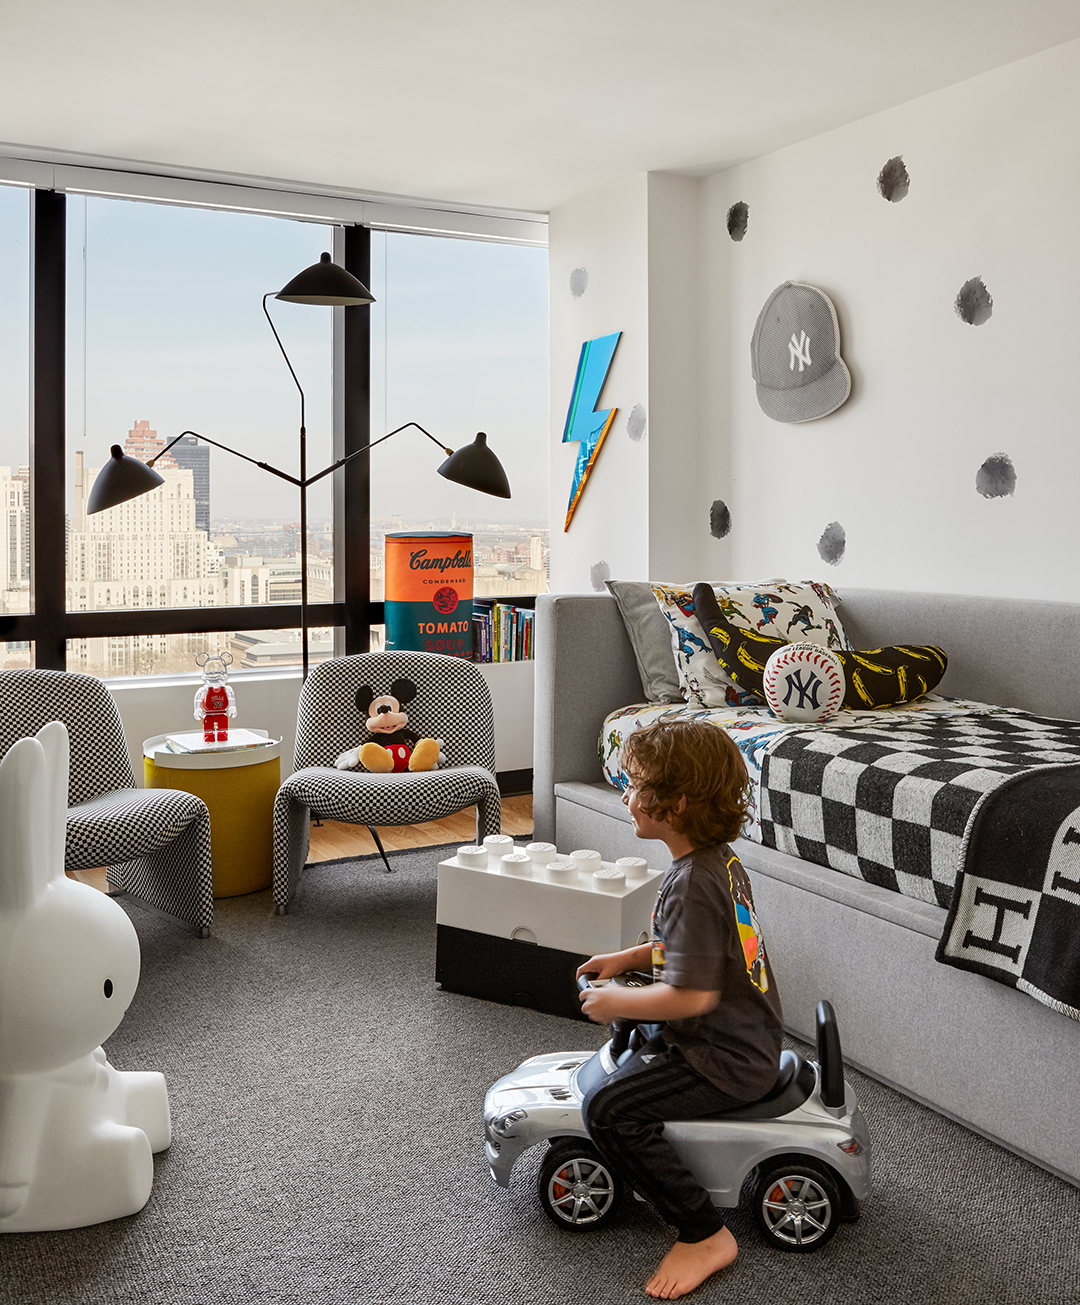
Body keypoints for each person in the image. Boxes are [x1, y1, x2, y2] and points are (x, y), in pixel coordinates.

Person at [576, 719, 784, 1300]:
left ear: (676, 802)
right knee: (630, 1040)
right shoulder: (718, 862)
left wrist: (619, 1000)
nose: (625, 795)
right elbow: (696, 949)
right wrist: (632, 956)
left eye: (636, 784)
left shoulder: (692, 884)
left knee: (609, 1109)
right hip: (744, 1034)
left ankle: (704, 1232)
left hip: (722, 1056)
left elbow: (691, 995)